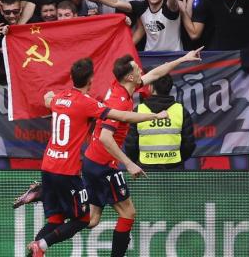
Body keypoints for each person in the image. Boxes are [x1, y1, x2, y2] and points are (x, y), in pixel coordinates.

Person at [26, 58, 167, 257]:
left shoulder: (59, 97)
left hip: (48, 165)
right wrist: (154, 116)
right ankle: (42, 245)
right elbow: (123, 118)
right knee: (84, 220)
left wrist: (183, 58)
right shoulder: (89, 104)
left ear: (71, 78)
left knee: (68, 220)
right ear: (91, 80)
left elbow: (47, 98)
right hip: (70, 170)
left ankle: (37, 239)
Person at [82, 49, 201, 256]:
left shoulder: (124, 87)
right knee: (128, 214)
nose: (141, 70)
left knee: (92, 220)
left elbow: (155, 74)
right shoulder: (118, 101)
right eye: (137, 69)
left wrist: (183, 58)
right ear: (129, 76)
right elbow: (105, 137)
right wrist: (129, 164)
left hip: (92, 161)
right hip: (103, 165)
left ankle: (46, 196)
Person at [125, 73, 196, 170]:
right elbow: (189, 145)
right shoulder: (181, 110)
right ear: (170, 88)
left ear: (150, 87)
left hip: (145, 170)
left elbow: (130, 146)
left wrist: (140, 162)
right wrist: (177, 162)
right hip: (175, 170)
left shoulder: (138, 111)